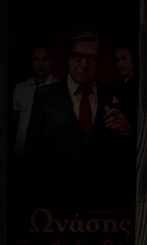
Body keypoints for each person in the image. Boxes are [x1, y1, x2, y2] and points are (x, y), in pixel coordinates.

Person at [24, 30, 133, 194]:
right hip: (55, 196)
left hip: (102, 198)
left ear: (99, 62)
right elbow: (32, 153)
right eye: (78, 56)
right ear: (68, 58)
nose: (84, 64)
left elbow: (123, 156)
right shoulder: (45, 95)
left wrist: (126, 132)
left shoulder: (112, 95)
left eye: (91, 58)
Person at [11, 44, 57, 159]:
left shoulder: (61, 89)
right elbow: (14, 123)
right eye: (37, 59)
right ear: (31, 61)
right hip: (21, 154)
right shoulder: (20, 89)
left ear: (51, 61)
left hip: (50, 156)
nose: (41, 63)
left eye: (45, 59)